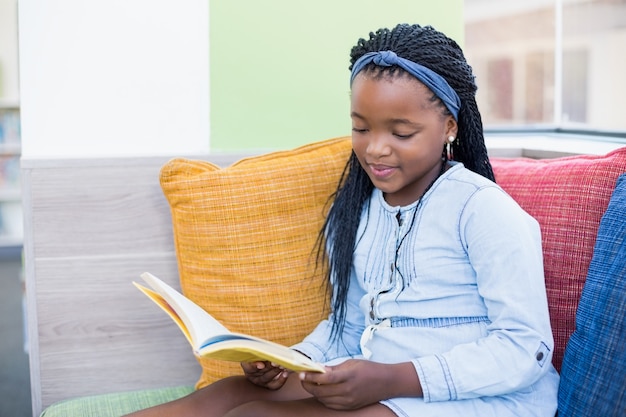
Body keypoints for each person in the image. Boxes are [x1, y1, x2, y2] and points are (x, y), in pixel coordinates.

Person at [126, 23, 559, 417]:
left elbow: (526, 349)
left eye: (401, 133)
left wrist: (392, 379)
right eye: (361, 128)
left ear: (449, 126)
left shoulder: (483, 209)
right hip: (384, 385)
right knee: (226, 396)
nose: (375, 149)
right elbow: (350, 328)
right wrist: (285, 359)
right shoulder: (366, 208)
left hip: (479, 399)